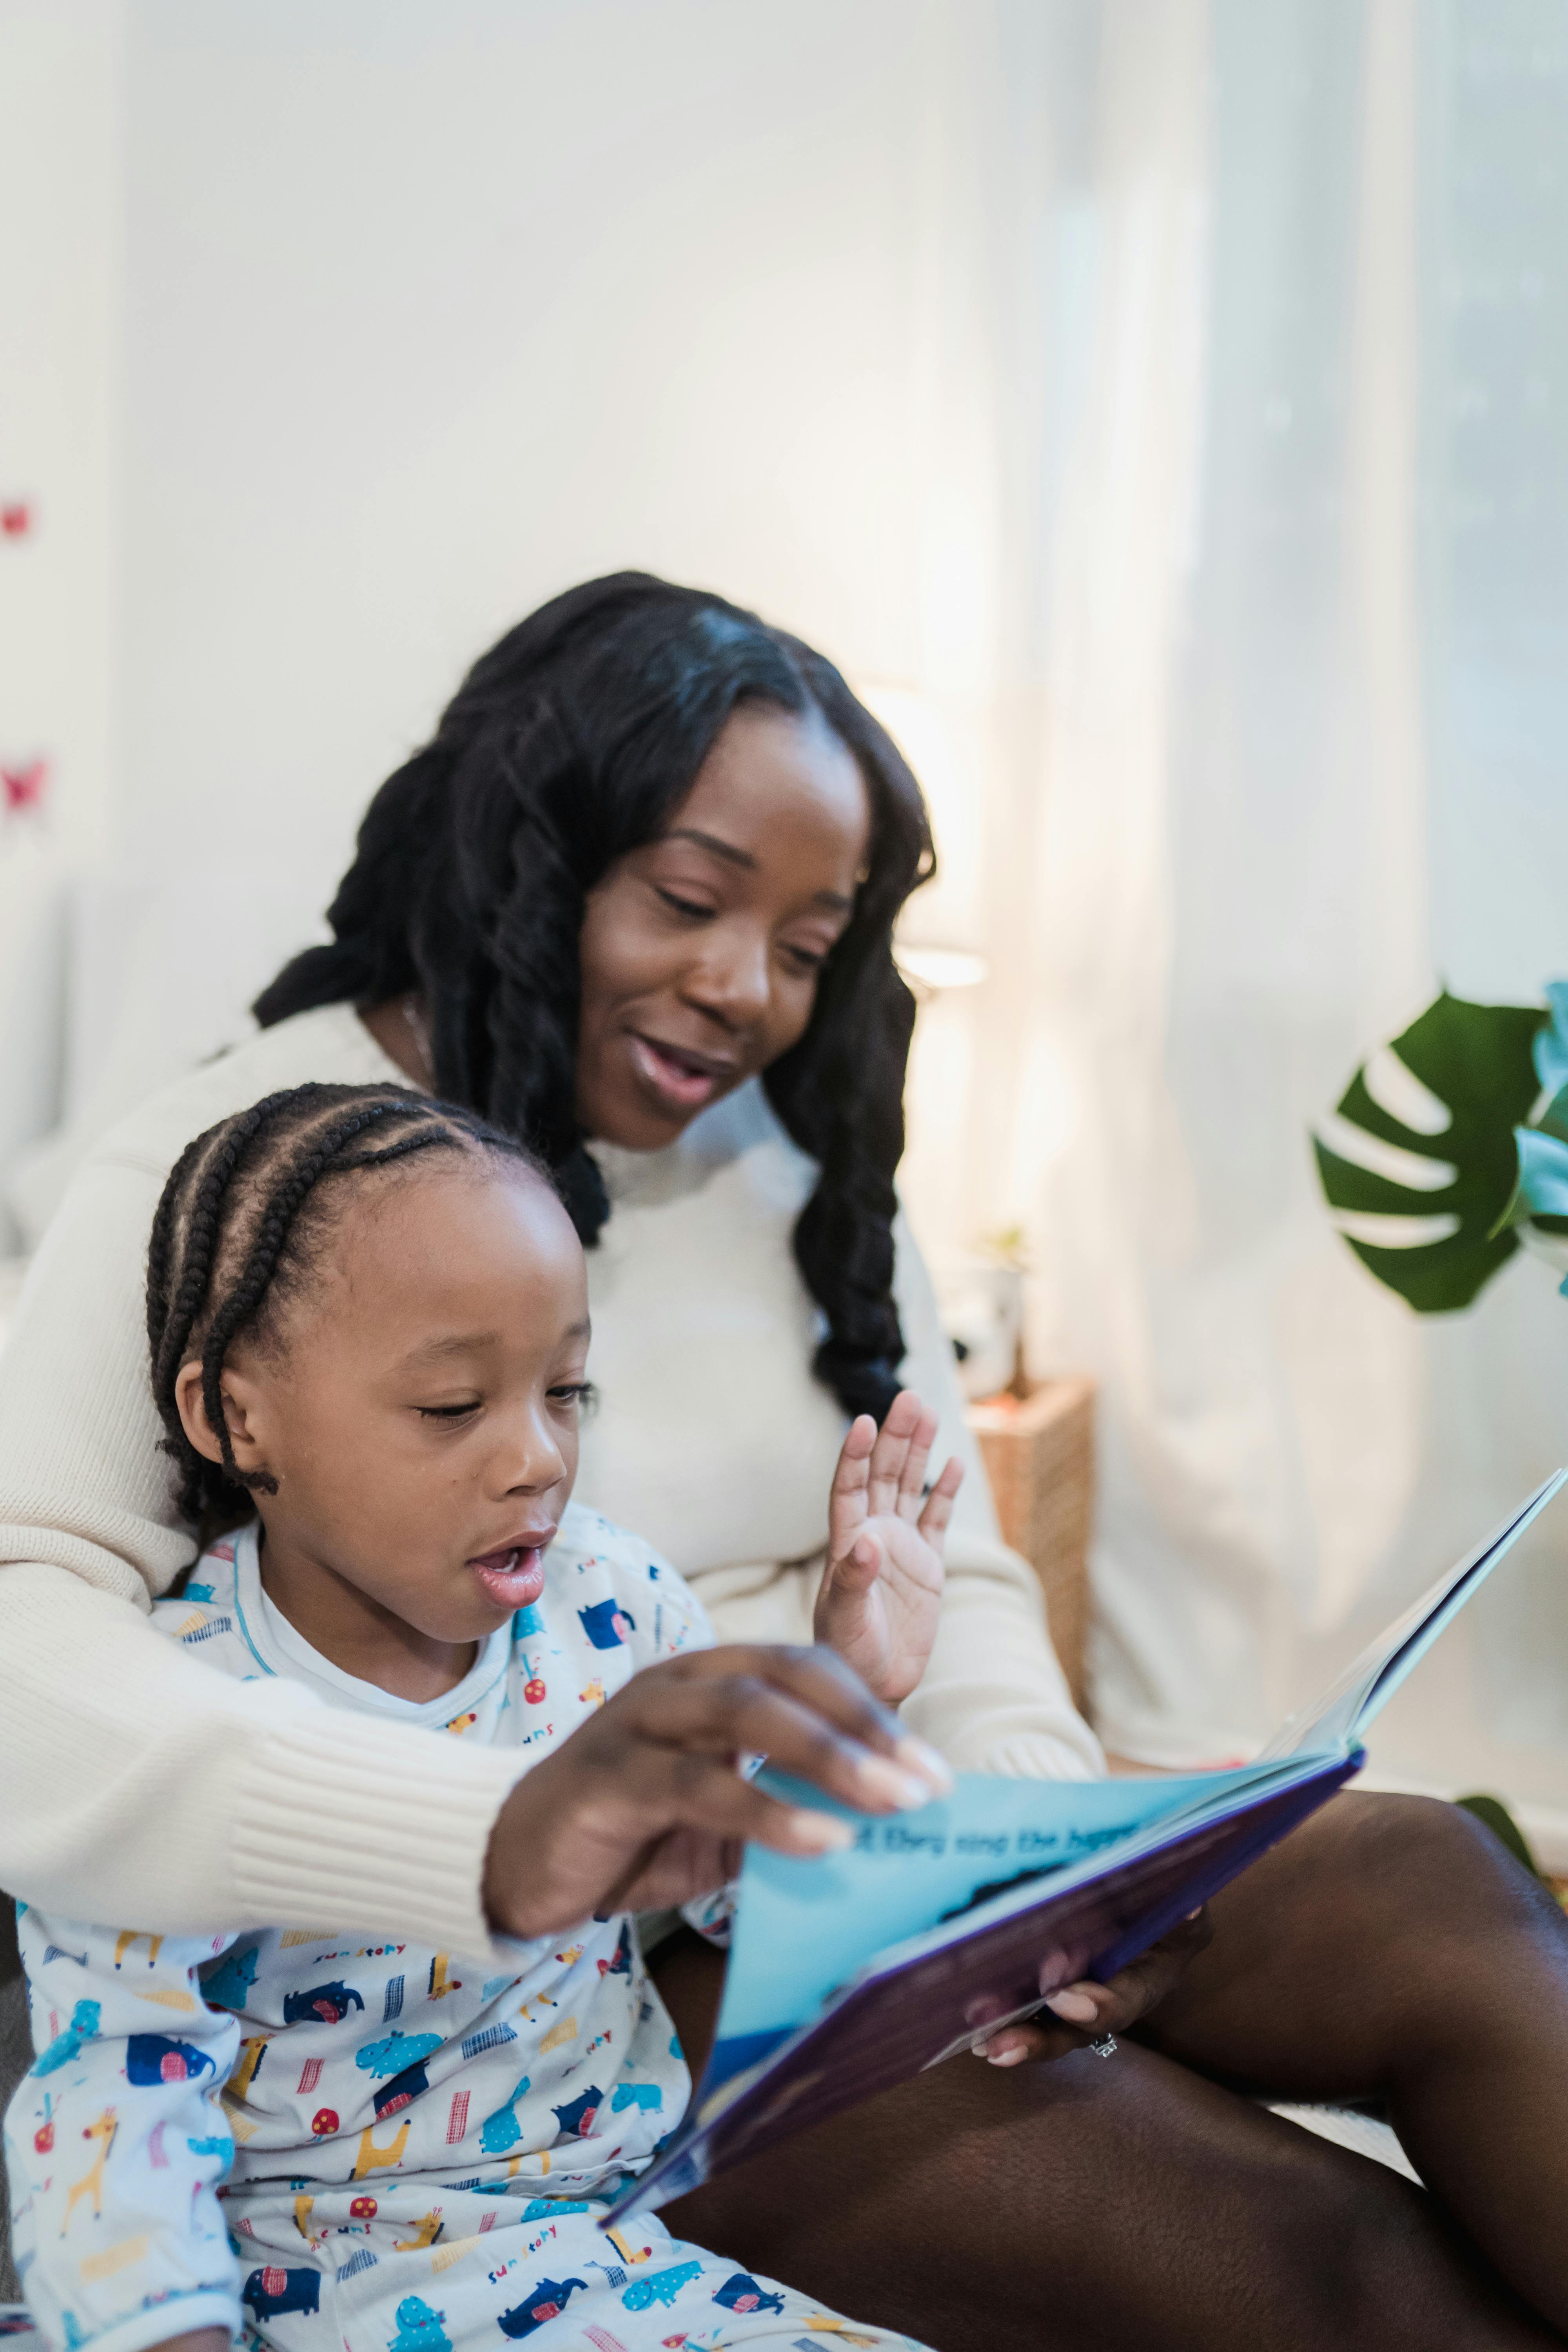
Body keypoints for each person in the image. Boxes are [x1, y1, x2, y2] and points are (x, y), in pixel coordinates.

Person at [4, 574, 1568, 2348]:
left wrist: (1036, 1866)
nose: (745, 991)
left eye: (811, 944)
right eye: (687, 899)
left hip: (864, 1863)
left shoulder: (790, 1162)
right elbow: (22, 1648)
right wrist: (513, 1830)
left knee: (1438, 1886)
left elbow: (956, 1569)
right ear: (539, 855)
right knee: (1289, 2248)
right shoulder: (237, 1185)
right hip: (581, 1991)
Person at [7, 1078, 961, 2352]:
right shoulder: (172, 1719)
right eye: (454, 1407)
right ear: (234, 1416)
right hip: (321, 2296)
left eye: (567, 1394)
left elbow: (738, 1891)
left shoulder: (611, 1609)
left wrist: (845, 1694)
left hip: (614, 2249)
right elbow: (116, 2106)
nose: (539, 1458)